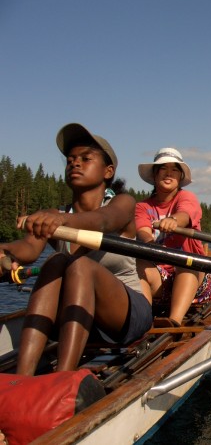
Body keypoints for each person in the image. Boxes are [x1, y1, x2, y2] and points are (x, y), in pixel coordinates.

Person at [0, 123, 153, 377]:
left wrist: (60, 221)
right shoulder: (55, 216)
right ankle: (21, 380)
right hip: (76, 316)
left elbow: (104, 221)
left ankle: (62, 378)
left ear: (108, 171)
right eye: (70, 160)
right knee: (55, 262)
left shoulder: (123, 204)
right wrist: (6, 251)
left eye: (85, 158)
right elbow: (27, 248)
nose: (75, 164)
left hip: (124, 316)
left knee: (80, 266)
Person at [135, 148, 211, 327]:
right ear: (154, 176)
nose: (168, 173)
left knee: (186, 263)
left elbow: (185, 214)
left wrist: (173, 221)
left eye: (174, 169)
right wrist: (148, 241)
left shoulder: (186, 197)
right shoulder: (142, 206)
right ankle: (143, 321)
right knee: (138, 265)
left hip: (194, 277)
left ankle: (174, 321)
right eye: (163, 168)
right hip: (161, 279)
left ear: (180, 177)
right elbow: (142, 230)